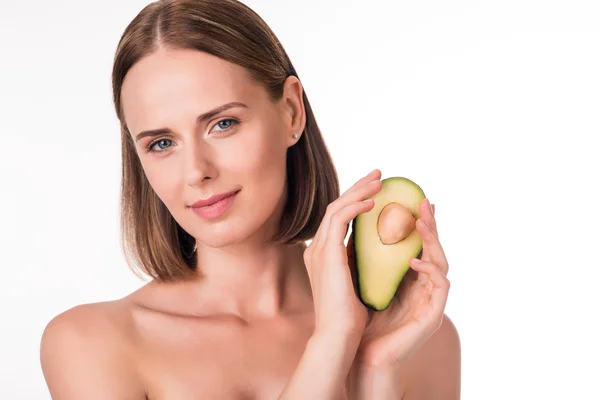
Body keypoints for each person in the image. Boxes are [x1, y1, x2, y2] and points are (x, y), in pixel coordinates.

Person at [40, 0, 461, 398]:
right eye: (162, 143)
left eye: (222, 124)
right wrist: (333, 342)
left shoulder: (419, 338)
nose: (196, 171)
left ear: (292, 112)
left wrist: (372, 369)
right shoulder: (91, 343)